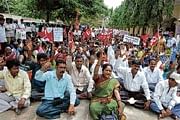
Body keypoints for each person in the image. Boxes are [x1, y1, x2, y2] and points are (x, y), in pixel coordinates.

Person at [89, 50, 125, 120]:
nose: (108, 72)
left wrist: (119, 103)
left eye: (110, 71)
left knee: (121, 105)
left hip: (109, 100)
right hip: (97, 100)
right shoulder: (98, 77)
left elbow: (116, 92)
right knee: (93, 108)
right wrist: (99, 59)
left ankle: (113, 116)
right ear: (103, 71)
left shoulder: (113, 81)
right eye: (106, 70)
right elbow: (95, 72)